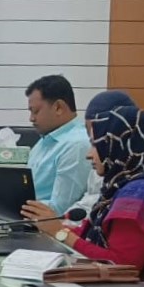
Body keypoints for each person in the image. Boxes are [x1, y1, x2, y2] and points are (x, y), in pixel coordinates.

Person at [23, 106, 144, 285]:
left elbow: (121, 266)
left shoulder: (139, 192)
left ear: (120, 144)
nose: (89, 155)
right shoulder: (125, 182)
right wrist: (50, 227)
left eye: (96, 145)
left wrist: (59, 232)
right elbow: (89, 235)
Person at [23, 74, 91, 214]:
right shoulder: (46, 139)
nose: (31, 118)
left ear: (58, 107)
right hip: (28, 215)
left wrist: (17, 204)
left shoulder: (76, 145)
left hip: (45, 223)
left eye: (36, 111)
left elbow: (60, 209)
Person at [69, 90, 138, 215]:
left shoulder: (137, 188)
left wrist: (59, 226)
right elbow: (88, 202)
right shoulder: (103, 165)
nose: (89, 154)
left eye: (98, 143)